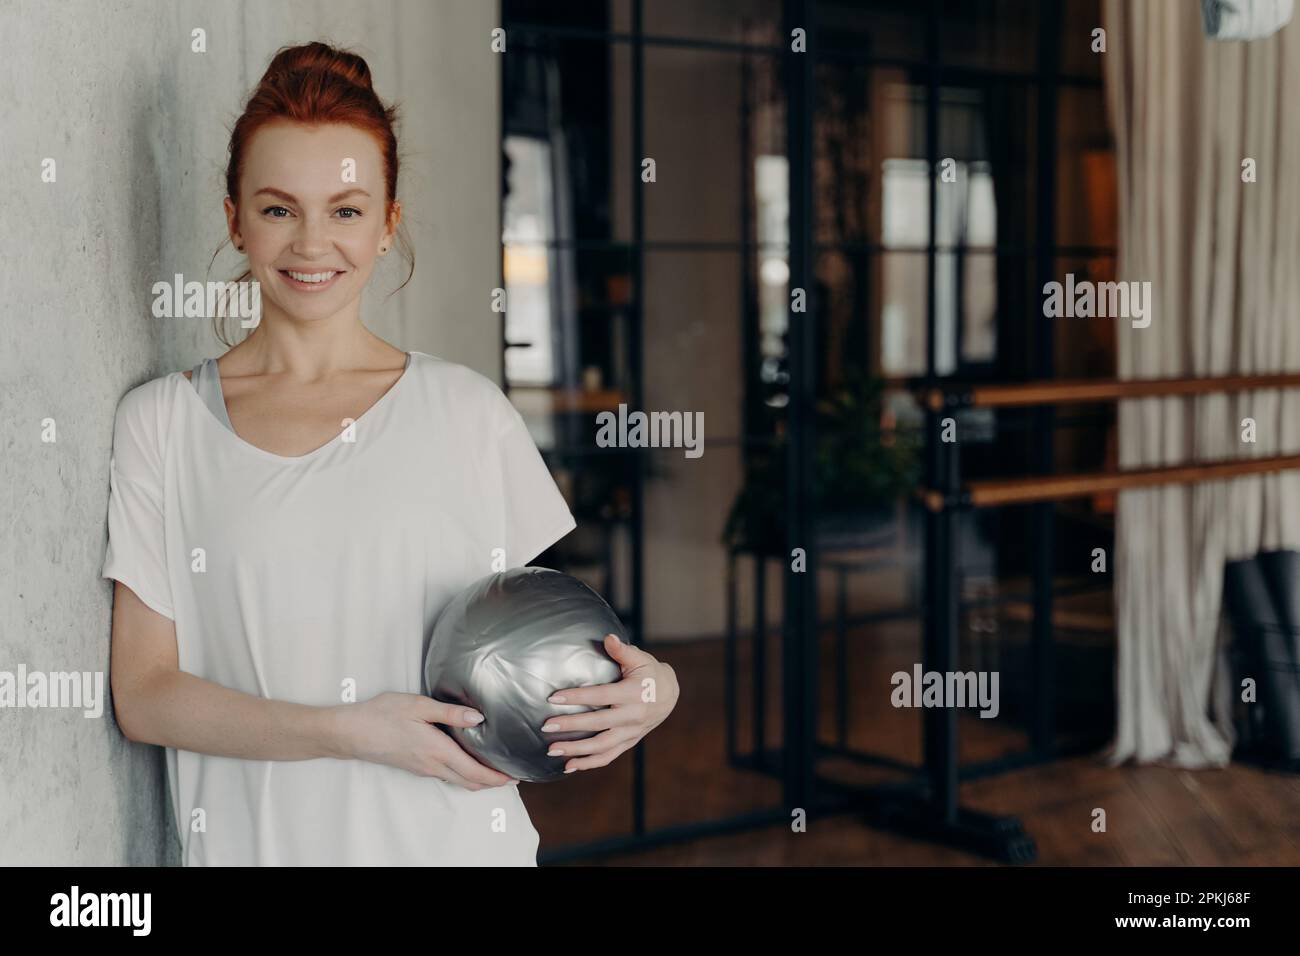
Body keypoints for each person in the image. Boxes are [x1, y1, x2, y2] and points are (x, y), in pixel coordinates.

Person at [102, 41, 679, 866]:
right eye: (277, 209)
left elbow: (563, 642)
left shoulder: (467, 413)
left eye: (345, 210)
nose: (311, 244)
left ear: (387, 223)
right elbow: (145, 696)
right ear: (234, 218)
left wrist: (657, 689)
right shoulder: (161, 425)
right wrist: (347, 731)